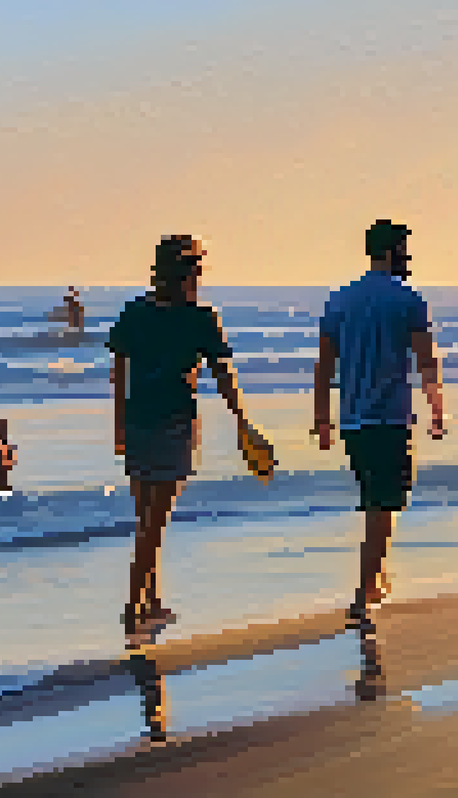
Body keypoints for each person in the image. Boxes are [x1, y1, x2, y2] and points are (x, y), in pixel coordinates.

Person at [107, 234, 256, 641]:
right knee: (155, 523)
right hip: (173, 424)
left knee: (146, 518)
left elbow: (118, 372)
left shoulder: (135, 313)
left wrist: (118, 425)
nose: (200, 276)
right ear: (186, 271)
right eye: (196, 268)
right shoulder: (201, 317)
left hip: (137, 422)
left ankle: (151, 602)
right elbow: (223, 374)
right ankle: (133, 605)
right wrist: (243, 420)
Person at [314, 220, 446, 629]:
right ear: (391, 252)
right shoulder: (407, 299)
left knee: (377, 500)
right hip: (389, 417)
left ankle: (375, 577)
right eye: (404, 250)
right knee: (383, 504)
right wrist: (437, 406)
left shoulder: (340, 300)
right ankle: (364, 591)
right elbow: (425, 360)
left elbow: (324, 366)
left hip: (354, 420)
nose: (408, 258)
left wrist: (323, 418)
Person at [0, 418, 15, 493]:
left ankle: (2, 488)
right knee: (1, 476)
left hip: (2, 464)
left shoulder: (3, 444)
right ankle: (1, 488)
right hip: (1, 464)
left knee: (2, 476)